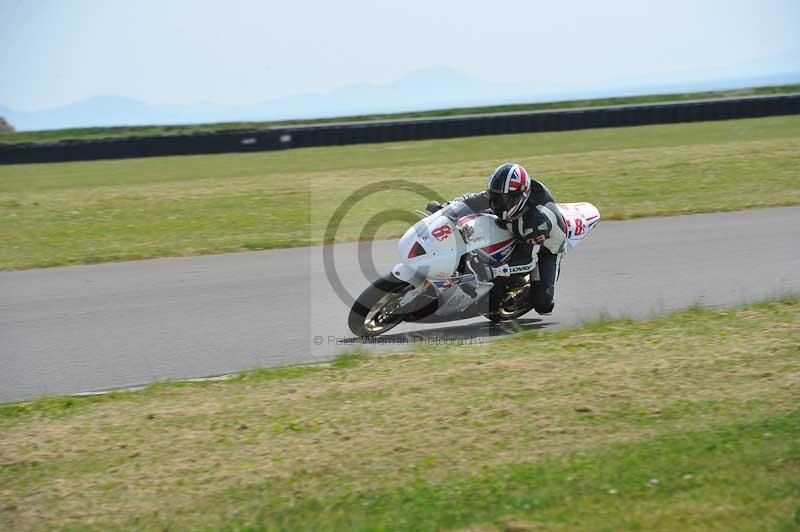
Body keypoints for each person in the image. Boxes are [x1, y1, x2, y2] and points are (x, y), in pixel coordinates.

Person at [427, 163, 566, 315]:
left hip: (543, 248)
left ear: (519, 197)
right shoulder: (504, 197)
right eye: (495, 196)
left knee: (543, 304)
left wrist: (494, 270)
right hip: (514, 223)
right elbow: (470, 201)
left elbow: (529, 262)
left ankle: (521, 289)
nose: (496, 203)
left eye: (502, 199)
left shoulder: (536, 223)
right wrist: (444, 210)